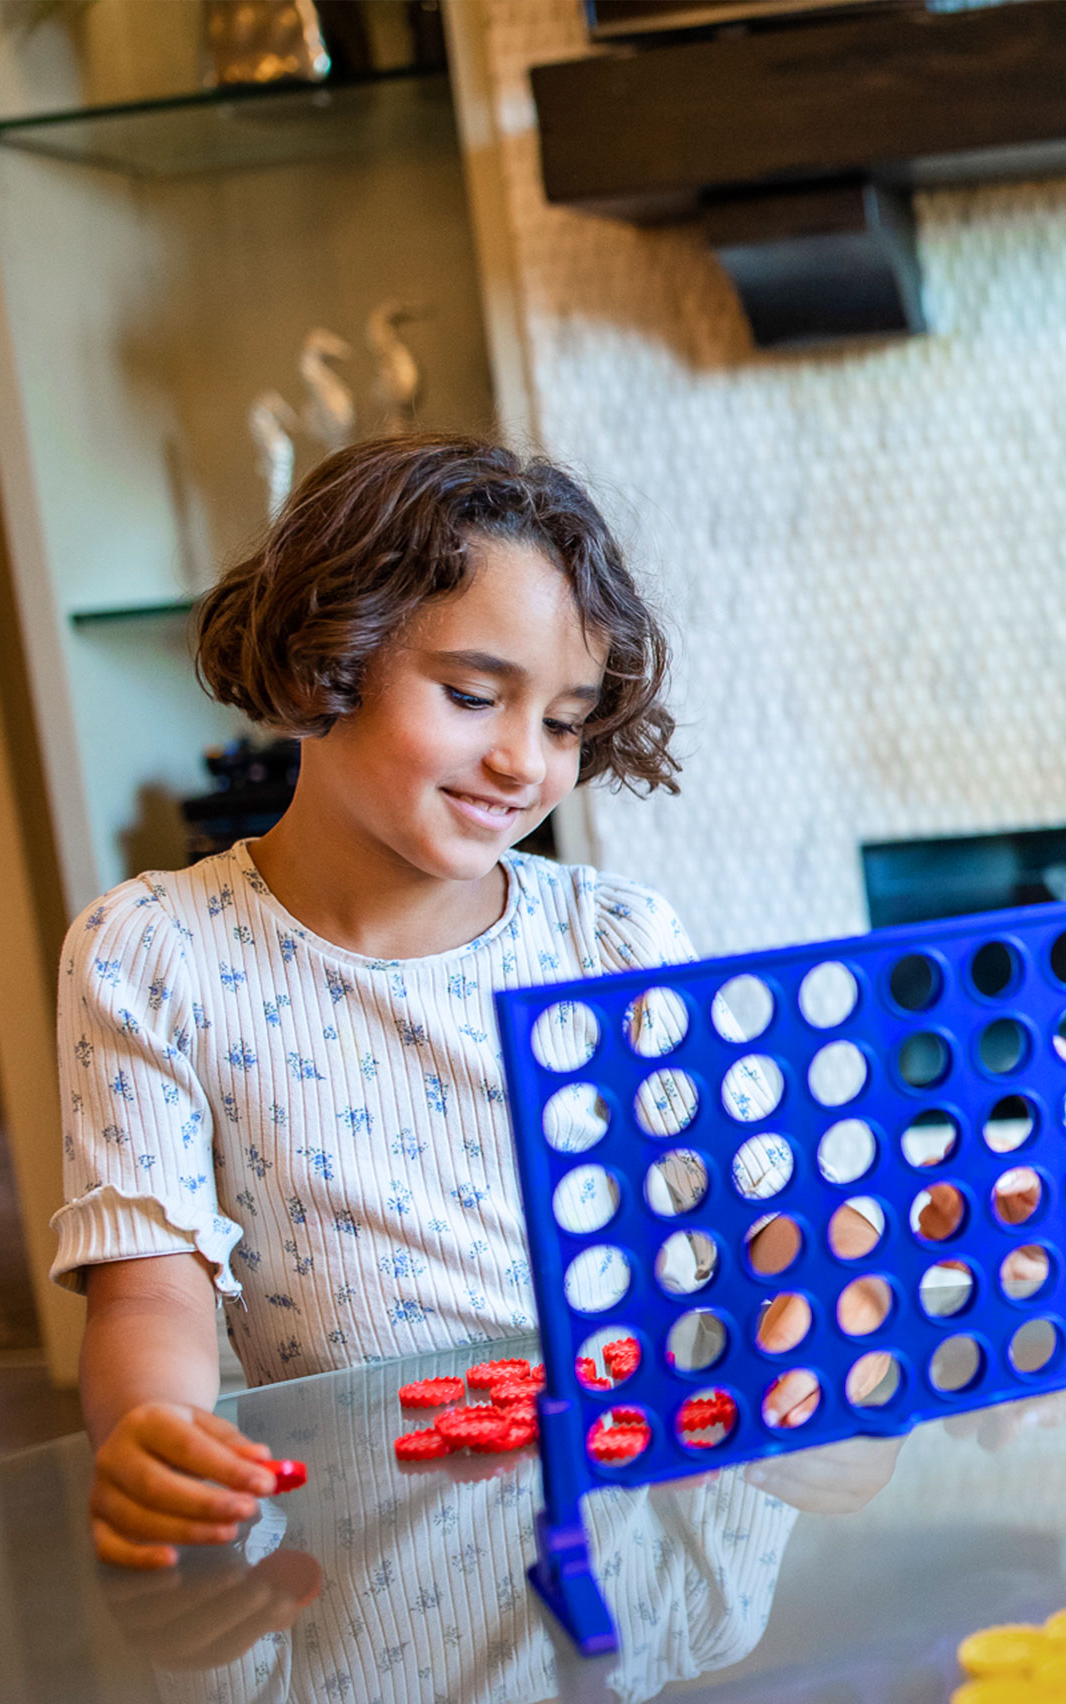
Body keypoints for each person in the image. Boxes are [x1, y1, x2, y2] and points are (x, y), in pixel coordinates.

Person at [53, 434, 694, 1571]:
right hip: (365, 1555)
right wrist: (154, 1429)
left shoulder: (615, 939)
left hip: (629, 1522)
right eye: (470, 695)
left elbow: (768, 1207)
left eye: (561, 721)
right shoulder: (153, 955)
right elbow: (149, 1296)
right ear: (321, 663)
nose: (522, 762)